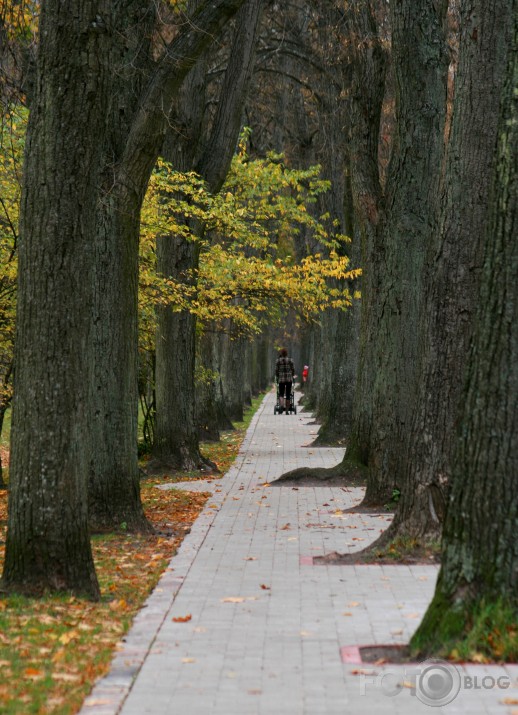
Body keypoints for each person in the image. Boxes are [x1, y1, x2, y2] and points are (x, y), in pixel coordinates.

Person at [275, 348, 295, 413]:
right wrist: (292, 374)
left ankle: (281, 406)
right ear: (286, 353)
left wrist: (278, 376)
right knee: (288, 394)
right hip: (289, 379)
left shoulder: (278, 361)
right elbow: (293, 369)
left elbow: (276, 370)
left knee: (281, 394)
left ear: (281, 353)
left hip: (281, 379)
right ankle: (287, 410)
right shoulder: (290, 360)